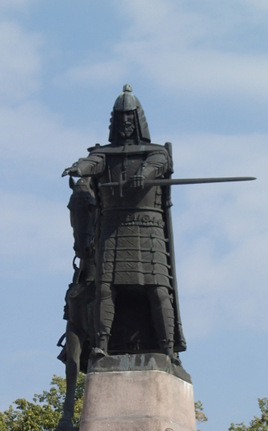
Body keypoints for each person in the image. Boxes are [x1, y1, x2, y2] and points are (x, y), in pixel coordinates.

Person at [62, 85, 186, 360]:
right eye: (121, 119)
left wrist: (143, 173)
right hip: (113, 227)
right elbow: (93, 162)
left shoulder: (156, 152)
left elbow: (157, 164)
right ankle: (101, 345)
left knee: (157, 290)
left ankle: (168, 349)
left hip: (148, 227)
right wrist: (78, 167)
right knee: (105, 288)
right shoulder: (106, 154)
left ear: (138, 120)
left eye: (130, 118)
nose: (126, 123)